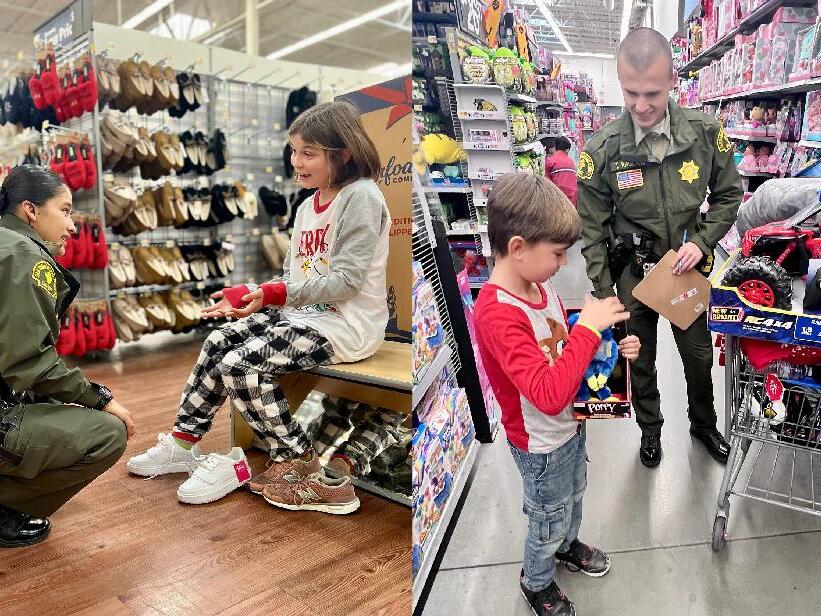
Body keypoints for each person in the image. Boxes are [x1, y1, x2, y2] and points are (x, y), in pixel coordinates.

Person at [126, 101, 393, 515]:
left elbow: (347, 281)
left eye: (308, 153)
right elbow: (293, 276)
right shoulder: (307, 207)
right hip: (307, 317)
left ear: (343, 154)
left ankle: (299, 461)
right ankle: (182, 444)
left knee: (240, 363)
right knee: (219, 340)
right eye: (294, 150)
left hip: (345, 324)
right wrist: (251, 295)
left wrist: (270, 295)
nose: (296, 162)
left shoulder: (361, 198)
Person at [473, 172, 641, 616]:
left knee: (576, 493)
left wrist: (609, 348)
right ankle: (537, 581)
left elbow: (562, 349)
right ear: (517, 247)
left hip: (570, 427)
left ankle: (568, 546)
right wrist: (588, 329)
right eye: (558, 254)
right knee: (546, 517)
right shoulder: (496, 313)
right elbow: (546, 393)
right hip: (540, 442)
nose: (562, 265)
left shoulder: (538, 287)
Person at [576, 27, 741, 467]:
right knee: (640, 361)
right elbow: (591, 229)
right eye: (631, 93)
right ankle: (650, 431)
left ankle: (704, 424)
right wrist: (603, 291)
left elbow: (729, 195)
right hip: (632, 274)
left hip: (684, 272)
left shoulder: (706, 134)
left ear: (673, 80)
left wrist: (704, 241)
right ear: (619, 81)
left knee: (699, 356)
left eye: (652, 92)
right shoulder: (605, 149)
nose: (641, 105)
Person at [0, 165, 134, 548]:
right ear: (30, 210)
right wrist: (101, 398)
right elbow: (29, 363)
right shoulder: (26, 257)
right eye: (65, 210)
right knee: (108, 433)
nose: (72, 226)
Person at [544, 136, 578, 205]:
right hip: (573, 198)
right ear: (567, 150)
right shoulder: (571, 162)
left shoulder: (550, 161)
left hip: (557, 197)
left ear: (555, 147)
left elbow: (547, 182)